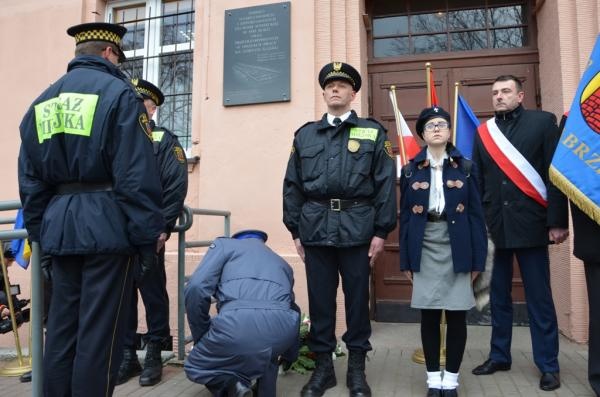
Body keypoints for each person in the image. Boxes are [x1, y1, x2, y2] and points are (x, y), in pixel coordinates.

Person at [18, 22, 164, 396]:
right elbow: (135, 177)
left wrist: (40, 236)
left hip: (60, 228)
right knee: (100, 338)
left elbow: (31, 183)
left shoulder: (42, 102)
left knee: (62, 333)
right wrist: (146, 240)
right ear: (110, 53)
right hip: (107, 229)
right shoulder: (120, 95)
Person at [283, 62, 397, 397]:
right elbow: (292, 185)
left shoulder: (373, 133)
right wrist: (295, 230)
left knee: (357, 302)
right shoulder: (305, 135)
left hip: (358, 229)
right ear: (323, 92)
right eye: (330, 85)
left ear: (353, 93)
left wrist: (381, 231)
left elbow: (386, 186)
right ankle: (323, 370)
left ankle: (357, 370)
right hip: (315, 227)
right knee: (320, 302)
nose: (335, 89)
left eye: (342, 85)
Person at [470, 75, 569, 391]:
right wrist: (479, 222)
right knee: (497, 297)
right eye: (495, 92)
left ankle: (548, 365)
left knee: (539, 299)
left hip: (531, 224)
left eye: (505, 91)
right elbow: (478, 181)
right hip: (495, 227)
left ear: (521, 95)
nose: (499, 97)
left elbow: (555, 175)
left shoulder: (543, 123)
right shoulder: (485, 133)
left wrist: (557, 222)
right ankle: (499, 355)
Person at [399, 106, 487, 397]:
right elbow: (406, 219)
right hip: (424, 244)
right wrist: (405, 260)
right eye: (430, 125)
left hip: (457, 243)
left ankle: (451, 381)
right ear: (423, 135)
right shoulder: (410, 169)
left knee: (457, 314)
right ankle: (432, 379)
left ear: (449, 132)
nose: (437, 128)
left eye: (442, 124)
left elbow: (476, 216)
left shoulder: (466, 167)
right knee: (428, 315)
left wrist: (478, 259)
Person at [116, 78, 188, 387]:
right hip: (118, 230)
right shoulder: (119, 136)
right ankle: (128, 355)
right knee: (122, 295)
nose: (134, 106)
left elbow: (174, 187)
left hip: (149, 232)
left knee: (153, 292)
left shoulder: (163, 139)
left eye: (140, 101)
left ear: (152, 107)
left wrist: (163, 227)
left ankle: (156, 352)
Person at [184, 229, 300, 397]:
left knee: (196, 366)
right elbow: (292, 308)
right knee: (268, 347)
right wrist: (290, 355)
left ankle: (234, 386)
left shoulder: (225, 245)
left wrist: (201, 334)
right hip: (283, 329)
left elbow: (195, 288)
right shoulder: (282, 263)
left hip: (237, 323)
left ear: (236, 239)